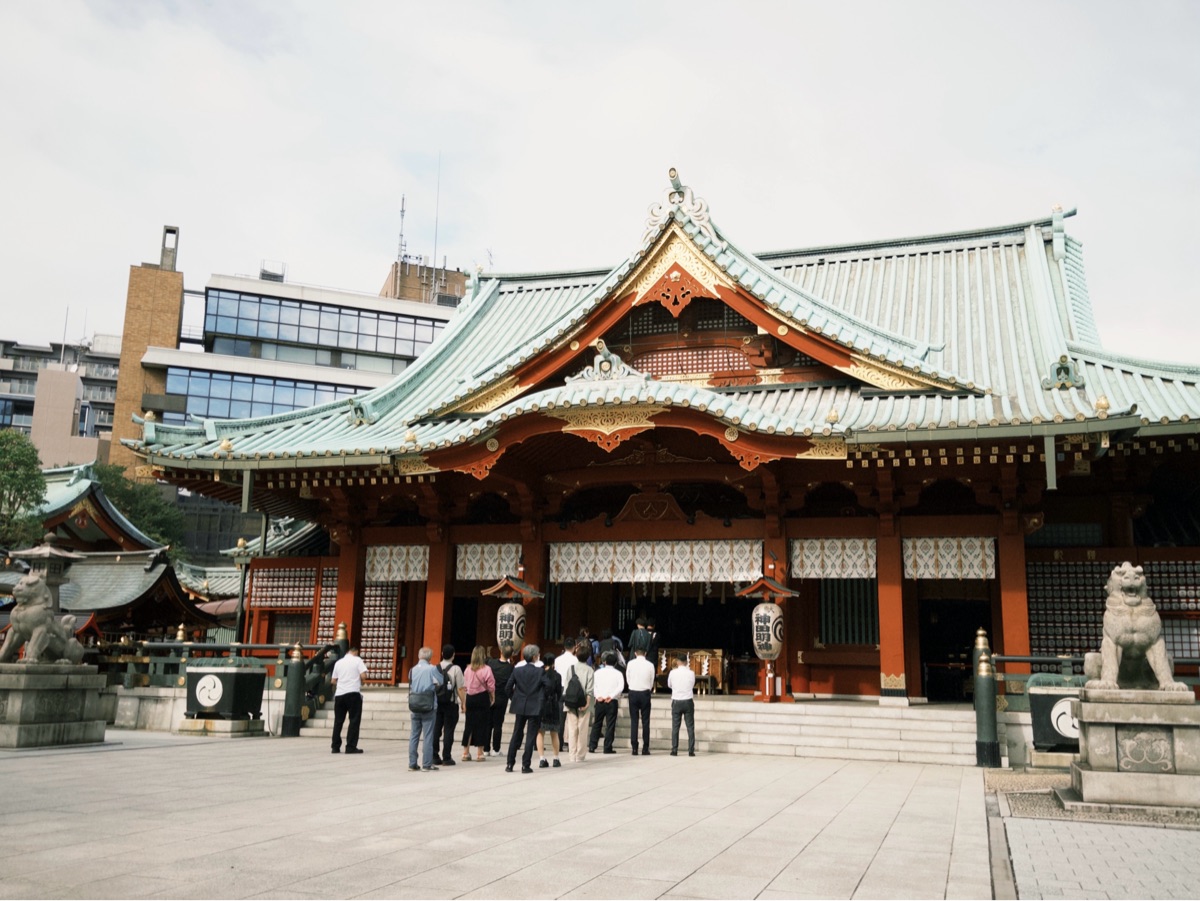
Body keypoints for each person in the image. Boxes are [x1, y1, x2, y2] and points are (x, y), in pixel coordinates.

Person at [505, 644, 545, 773]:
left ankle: (510, 764)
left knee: (516, 733)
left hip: (520, 705)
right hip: (534, 705)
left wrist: (514, 698)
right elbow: (548, 686)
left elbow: (507, 687)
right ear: (534, 657)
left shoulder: (517, 670)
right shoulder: (540, 671)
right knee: (530, 736)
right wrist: (541, 697)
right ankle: (525, 765)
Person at [408, 646, 443, 771]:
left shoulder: (412, 670)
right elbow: (440, 681)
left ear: (419, 656)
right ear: (430, 657)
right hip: (428, 704)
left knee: (414, 735)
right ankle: (427, 763)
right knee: (428, 735)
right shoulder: (432, 669)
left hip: (415, 703)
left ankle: (412, 763)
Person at [460, 645, 495, 762]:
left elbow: (464, 686)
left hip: (470, 697)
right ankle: (480, 753)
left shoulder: (467, 669)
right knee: (482, 725)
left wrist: (464, 701)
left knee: (469, 725)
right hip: (482, 697)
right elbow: (491, 685)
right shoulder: (487, 669)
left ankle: (465, 752)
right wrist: (493, 697)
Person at [330, 644, 367, 755]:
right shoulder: (357, 660)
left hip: (340, 694)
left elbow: (333, 681)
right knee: (354, 721)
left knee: (338, 721)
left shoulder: (338, 662)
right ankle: (350, 746)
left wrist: (342, 683)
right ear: (355, 652)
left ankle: (335, 747)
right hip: (353, 693)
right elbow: (364, 676)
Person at [563, 640, 594, 763]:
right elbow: (590, 689)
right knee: (582, 728)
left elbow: (566, 685)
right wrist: (587, 703)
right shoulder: (589, 670)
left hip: (571, 701)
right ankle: (580, 755)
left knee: (572, 728)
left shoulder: (570, 669)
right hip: (583, 702)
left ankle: (572, 755)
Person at [588, 651, 624, 754]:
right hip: (611, 701)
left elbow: (593, 685)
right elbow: (620, 687)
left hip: (600, 701)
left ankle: (592, 745)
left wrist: (598, 695)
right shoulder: (618, 673)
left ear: (605, 662)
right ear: (615, 663)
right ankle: (607, 747)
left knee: (597, 723)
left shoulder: (598, 672)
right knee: (610, 724)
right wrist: (611, 696)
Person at [434, 644, 464, 766]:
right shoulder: (456, 669)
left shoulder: (435, 668)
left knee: (436, 729)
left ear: (442, 654)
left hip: (437, 703)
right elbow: (460, 689)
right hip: (451, 703)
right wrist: (464, 703)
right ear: (453, 655)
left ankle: (434, 756)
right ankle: (447, 757)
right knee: (449, 730)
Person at [485, 642, 515, 757]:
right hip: (502, 698)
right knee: (498, 724)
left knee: (488, 723)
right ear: (511, 655)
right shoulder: (511, 668)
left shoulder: (491, 663)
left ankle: (486, 749)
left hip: (490, 696)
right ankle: (496, 749)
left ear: (501, 652)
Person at [625, 645, 655, 755]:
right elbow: (652, 680)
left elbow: (627, 678)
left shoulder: (630, 664)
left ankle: (634, 747)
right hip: (645, 692)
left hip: (633, 691)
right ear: (645, 653)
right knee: (645, 721)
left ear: (635, 653)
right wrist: (648, 688)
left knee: (634, 720)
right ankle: (645, 747)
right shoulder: (650, 665)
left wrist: (632, 686)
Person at [535, 652, 563, 768]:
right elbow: (559, 693)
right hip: (553, 706)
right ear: (553, 663)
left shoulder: (539, 674)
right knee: (554, 733)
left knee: (540, 732)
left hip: (541, 706)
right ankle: (556, 758)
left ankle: (542, 759)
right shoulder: (557, 676)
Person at [668, 653, 697, 757]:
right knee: (690, 726)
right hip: (688, 700)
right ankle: (691, 750)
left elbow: (669, 685)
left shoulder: (672, 673)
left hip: (676, 701)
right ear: (686, 662)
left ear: (677, 662)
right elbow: (693, 684)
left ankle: (674, 750)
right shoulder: (691, 673)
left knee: (675, 727)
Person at [553, 639, 578, 751]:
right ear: (574, 647)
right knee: (572, 717)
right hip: (571, 689)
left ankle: (559, 743)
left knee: (560, 718)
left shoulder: (557, 659)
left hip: (559, 688)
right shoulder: (575, 659)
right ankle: (570, 743)